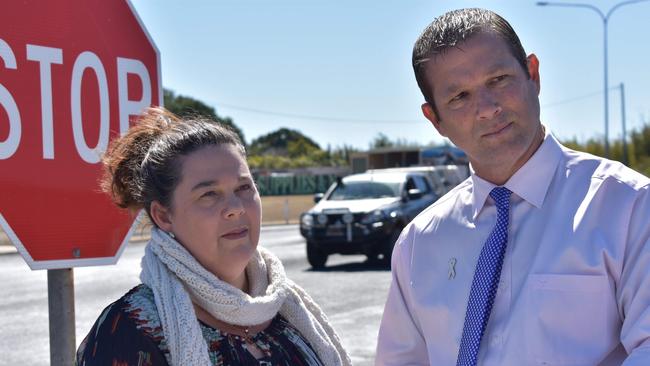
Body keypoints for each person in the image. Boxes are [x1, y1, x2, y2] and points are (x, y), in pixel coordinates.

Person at [376, 7, 650, 366]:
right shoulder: (419, 243)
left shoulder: (628, 206)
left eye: (499, 79)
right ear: (435, 119)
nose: (487, 108)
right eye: (460, 97)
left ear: (532, 75)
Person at [76, 107, 351, 366]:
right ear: (163, 216)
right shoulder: (129, 329)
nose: (235, 208)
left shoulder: (290, 310)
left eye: (244, 187)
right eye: (209, 194)